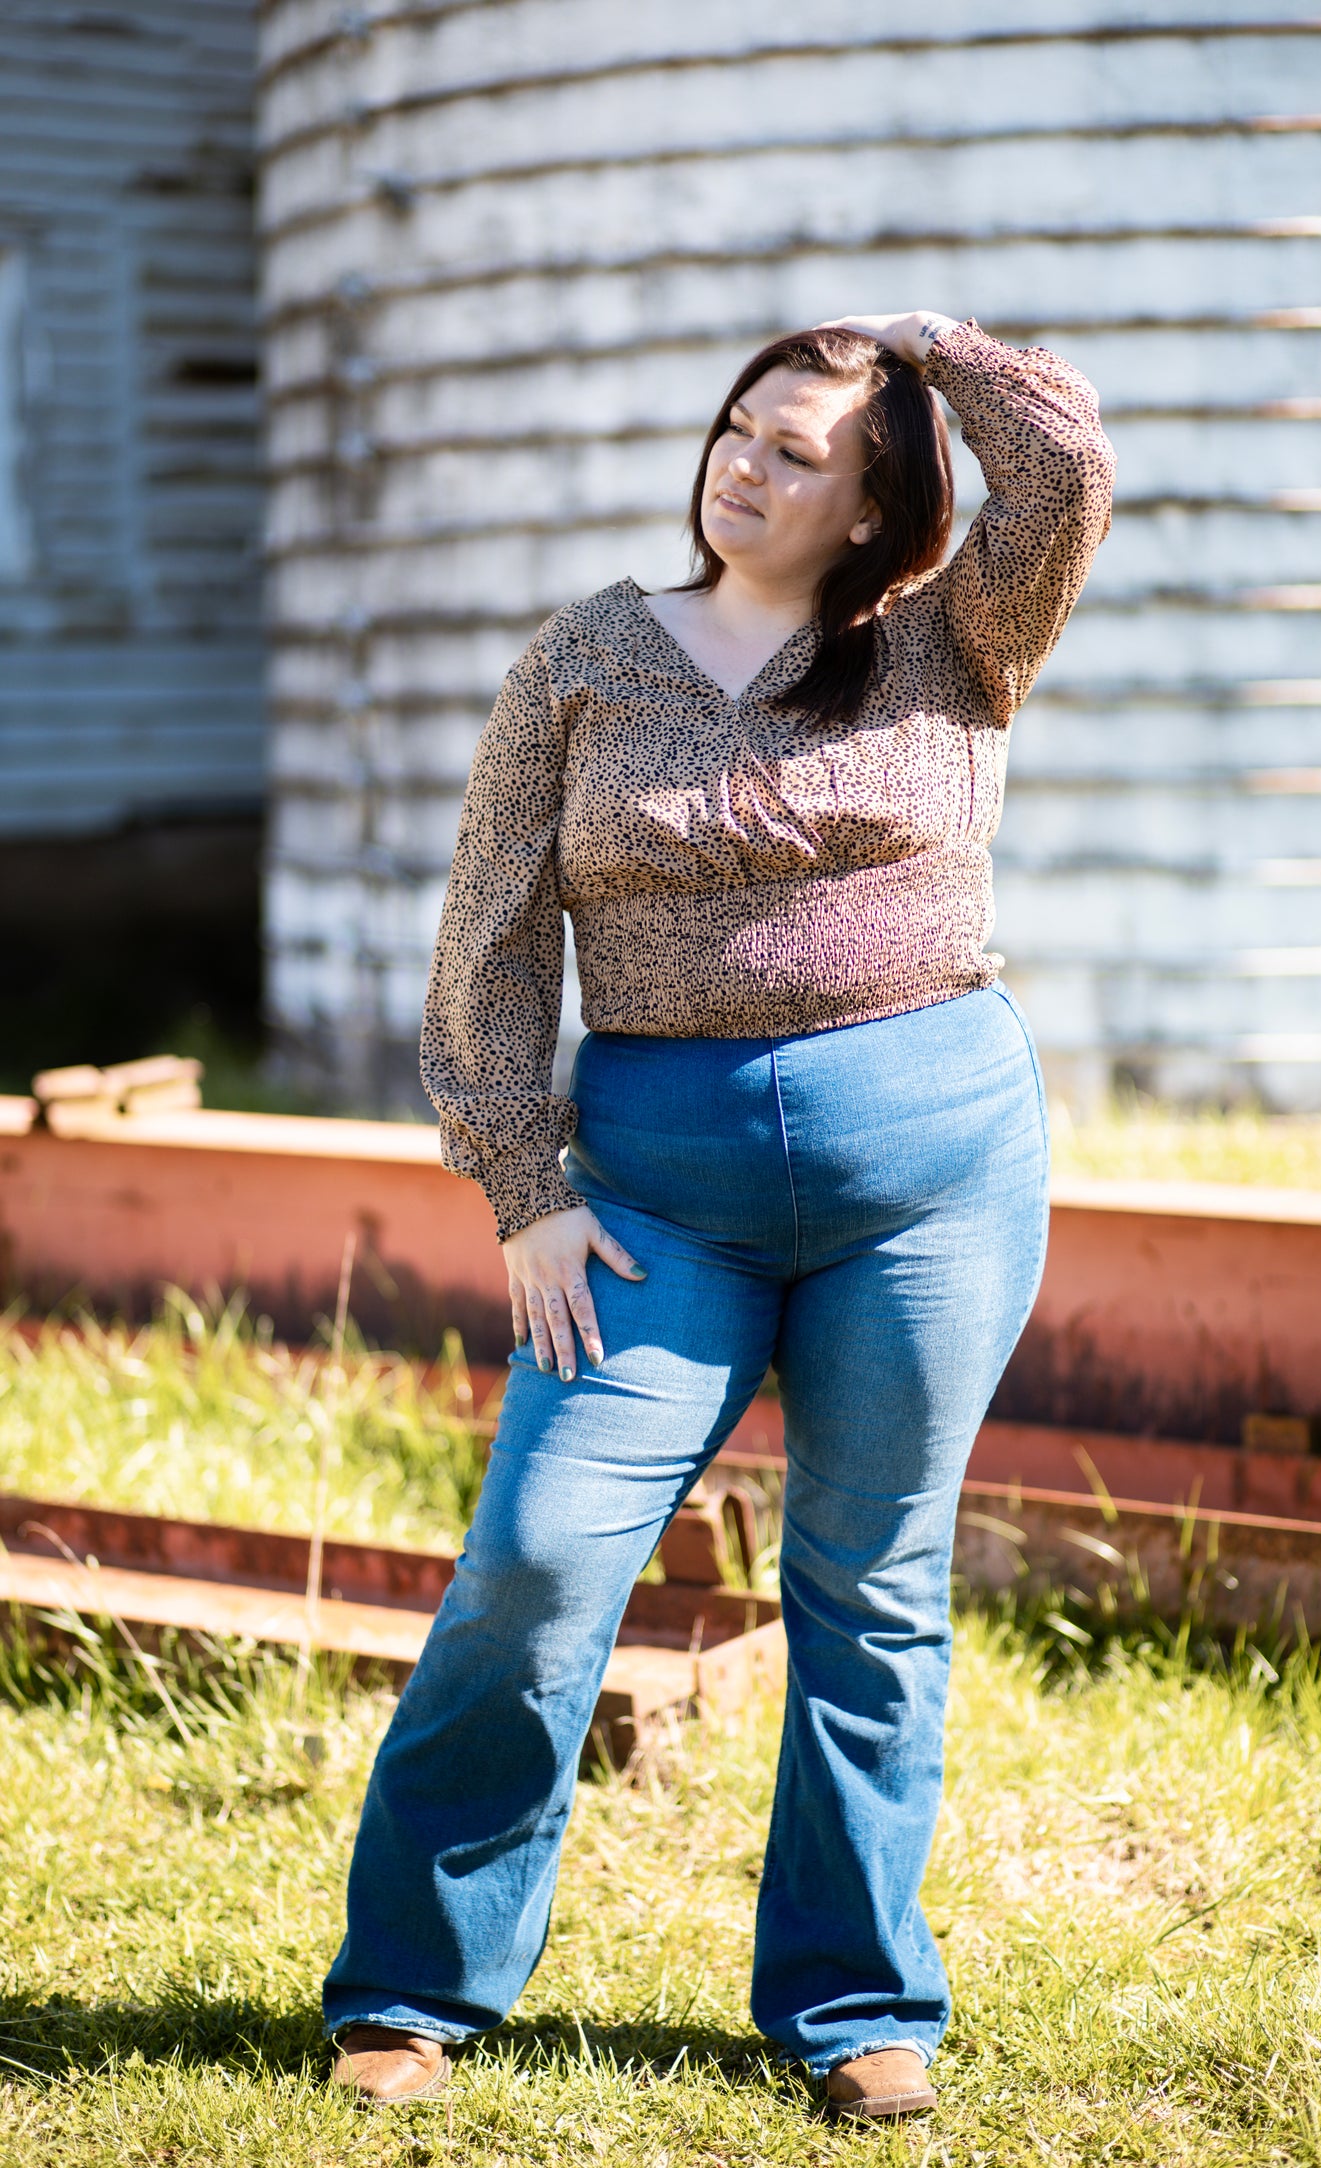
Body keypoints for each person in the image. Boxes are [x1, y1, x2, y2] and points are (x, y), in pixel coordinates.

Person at [323, 311, 1115, 2121]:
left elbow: (1063, 467)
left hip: (928, 1178)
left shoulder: (952, 636)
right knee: (535, 1558)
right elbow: (492, 928)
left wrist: (916, 344)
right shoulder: (586, 656)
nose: (740, 466)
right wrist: (522, 1185)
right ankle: (415, 1989)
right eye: (736, 428)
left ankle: (856, 2011)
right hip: (652, 1198)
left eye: (795, 450)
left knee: (870, 1581)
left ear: (871, 502)